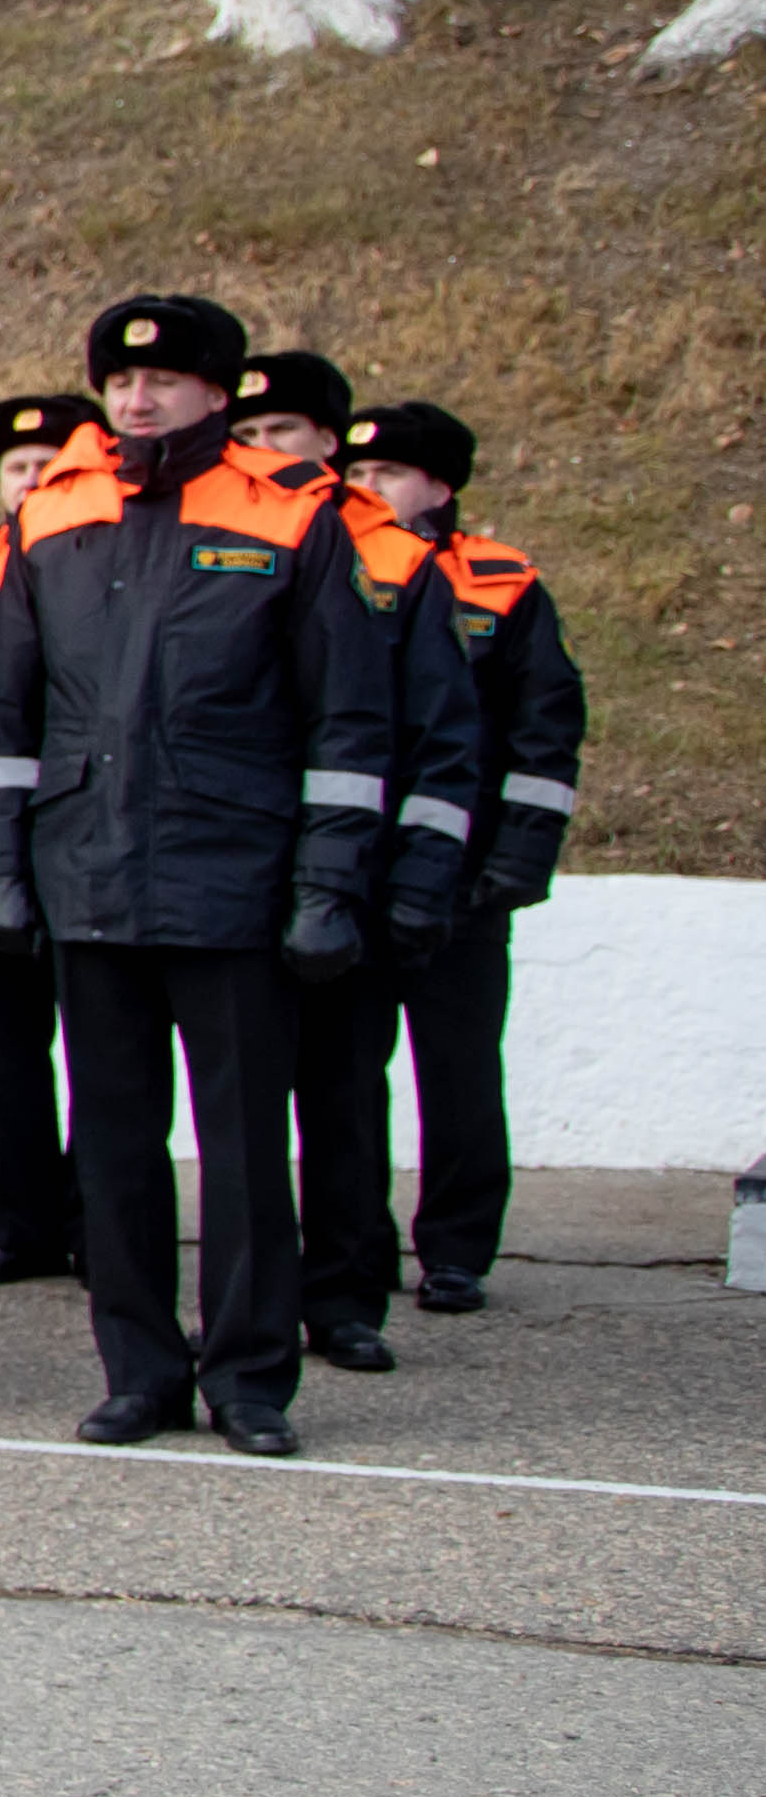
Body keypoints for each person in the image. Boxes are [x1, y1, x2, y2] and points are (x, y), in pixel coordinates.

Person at [0, 294, 422, 1456]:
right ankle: (138, 1371)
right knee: (112, 1146)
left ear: (218, 396)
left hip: (233, 876)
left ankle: (251, 1376)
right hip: (89, 874)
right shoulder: (56, 513)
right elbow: (6, 707)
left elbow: (347, 721)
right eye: (120, 381)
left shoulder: (288, 518)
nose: (135, 397)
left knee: (242, 1149)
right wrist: (2, 863)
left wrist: (326, 883)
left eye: (163, 380)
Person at [231, 349, 482, 1375]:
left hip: (359, 880)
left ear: (329, 443)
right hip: (236, 875)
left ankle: (342, 1295)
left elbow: (442, 736)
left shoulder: (392, 557)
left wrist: (421, 880)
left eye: (279, 433)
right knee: (240, 1110)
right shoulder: (211, 535)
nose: (258, 453)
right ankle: (252, 1302)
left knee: (340, 1098)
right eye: (243, 435)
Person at [337, 401, 582, 1320]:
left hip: (463, 881)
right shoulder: (335, 571)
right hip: (355, 872)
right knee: (345, 1073)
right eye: (354, 477)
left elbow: (542, 735)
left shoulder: (503, 584)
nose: (363, 491)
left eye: (384, 476)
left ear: (438, 488)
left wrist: (516, 862)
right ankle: (353, 1242)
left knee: (458, 1068)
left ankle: (455, 1249)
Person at [0, 395, 99, 1289]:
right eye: (16, 467)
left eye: (50, 462)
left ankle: (94, 1219)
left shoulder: (105, 559)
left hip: (81, 844)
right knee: (7, 1050)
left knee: (101, 1052)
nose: (31, 479)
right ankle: (20, 1222)